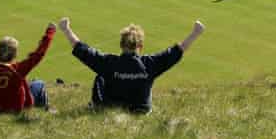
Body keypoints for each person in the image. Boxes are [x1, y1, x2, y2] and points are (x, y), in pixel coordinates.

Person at [57, 17, 205, 114]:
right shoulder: (150, 64)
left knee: (100, 77)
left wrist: (66, 29)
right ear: (141, 45)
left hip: (113, 109)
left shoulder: (110, 63)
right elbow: (177, 51)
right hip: (141, 110)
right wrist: (195, 33)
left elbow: (83, 50)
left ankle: (95, 107)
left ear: (121, 45)